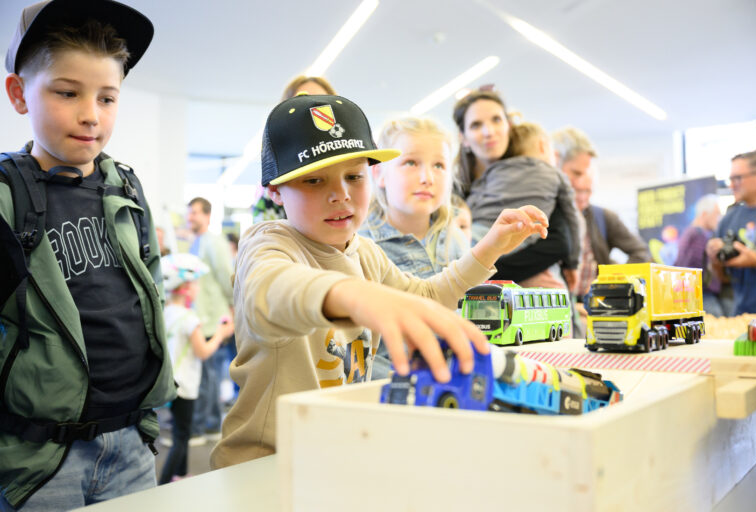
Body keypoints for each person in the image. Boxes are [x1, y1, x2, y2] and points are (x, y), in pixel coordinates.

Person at [210, 93, 548, 468]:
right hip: (267, 463)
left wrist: (489, 248)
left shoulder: (365, 252)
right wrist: (355, 296)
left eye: (353, 176)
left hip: (336, 455)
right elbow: (270, 291)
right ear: (275, 190)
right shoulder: (269, 242)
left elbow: (430, 295)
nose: (340, 195)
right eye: (315, 180)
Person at [0, 1, 176, 509]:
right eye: (66, 92)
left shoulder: (127, 187)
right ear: (18, 94)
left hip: (132, 445)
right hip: (39, 460)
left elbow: (152, 291)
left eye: (107, 97)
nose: (90, 115)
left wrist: (144, 426)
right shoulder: (6, 197)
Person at [359, 117, 468, 378]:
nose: (427, 177)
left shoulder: (457, 241)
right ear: (379, 174)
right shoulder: (360, 245)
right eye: (410, 163)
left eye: (439, 165)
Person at [452, 90, 580, 285]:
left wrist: (478, 275)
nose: (489, 132)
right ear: (464, 138)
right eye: (476, 125)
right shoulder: (455, 189)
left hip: (519, 293)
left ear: (508, 126)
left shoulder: (533, 180)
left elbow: (559, 244)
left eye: (496, 120)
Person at [158, 253, 233, 484]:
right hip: (186, 384)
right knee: (182, 436)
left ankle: (181, 475)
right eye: (196, 283)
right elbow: (203, 351)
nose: (198, 288)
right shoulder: (190, 318)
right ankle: (165, 481)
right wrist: (220, 334)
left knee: (181, 431)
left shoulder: (166, 313)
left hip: (171, 381)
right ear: (186, 287)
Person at [254, 76, 339, 224]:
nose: (313, 111)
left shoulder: (349, 172)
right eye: (302, 103)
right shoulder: (271, 195)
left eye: (321, 102)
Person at [186, 197, 235, 443]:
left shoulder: (214, 243)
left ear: (207, 215)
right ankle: (207, 425)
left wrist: (234, 310)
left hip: (213, 319)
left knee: (210, 377)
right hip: (200, 318)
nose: (190, 217)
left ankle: (209, 427)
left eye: (194, 213)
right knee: (205, 376)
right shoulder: (196, 243)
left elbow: (227, 278)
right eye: (189, 213)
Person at [573, 165, 652, 298]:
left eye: (587, 191)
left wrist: (617, 281)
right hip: (563, 300)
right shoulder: (555, 215)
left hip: (595, 302)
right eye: (576, 190)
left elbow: (640, 250)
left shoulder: (603, 217)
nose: (582, 197)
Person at [706, 150, 756, 315]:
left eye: (738, 178)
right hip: (743, 316)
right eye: (731, 179)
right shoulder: (729, 219)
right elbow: (723, 278)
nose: (732, 185)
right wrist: (715, 260)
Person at [674, 194, 728, 316]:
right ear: (704, 214)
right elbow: (691, 270)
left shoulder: (692, 233)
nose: (718, 219)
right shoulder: (696, 235)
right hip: (702, 296)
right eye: (716, 214)